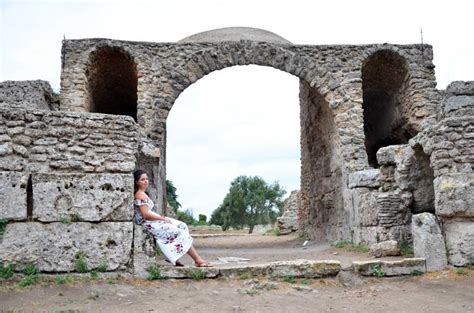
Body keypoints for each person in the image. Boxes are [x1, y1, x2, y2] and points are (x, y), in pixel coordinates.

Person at [133, 169, 212, 267]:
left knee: (182, 226)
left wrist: (162, 218)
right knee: (180, 233)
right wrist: (162, 219)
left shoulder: (143, 193)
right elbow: (145, 214)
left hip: (152, 221)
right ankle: (198, 260)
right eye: (142, 179)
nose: (146, 181)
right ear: (136, 182)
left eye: (146, 179)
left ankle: (174, 257)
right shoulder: (139, 195)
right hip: (148, 224)